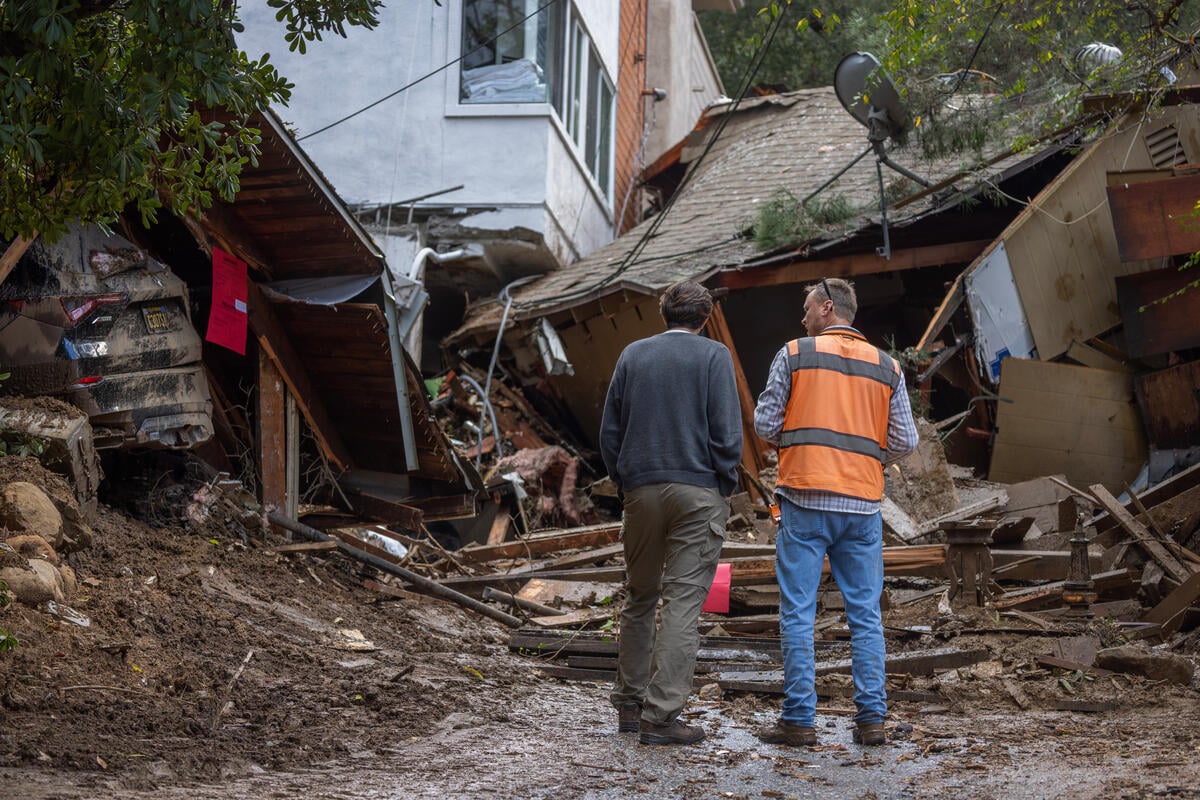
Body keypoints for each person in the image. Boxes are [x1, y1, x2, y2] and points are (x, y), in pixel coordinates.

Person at [753, 277, 918, 748]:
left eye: (807, 309)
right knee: (865, 615)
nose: (802, 318)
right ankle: (871, 721)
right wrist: (867, 456)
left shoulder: (794, 354)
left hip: (804, 499)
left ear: (827, 308)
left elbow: (765, 424)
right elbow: (906, 440)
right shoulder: (888, 367)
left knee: (799, 614)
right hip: (863, 506)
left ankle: (800, 722)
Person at [600, 280, 743, 746]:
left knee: (639, 596)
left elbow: (610, 431)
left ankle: (628, 704)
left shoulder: (632, 355)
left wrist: (626, 481)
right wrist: (724, 478)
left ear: (662, 314)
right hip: (698, 490)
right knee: (682, 601)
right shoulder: (714, 356)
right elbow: (726, 431)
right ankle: (660, 718)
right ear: (704, 319)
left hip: (641, 490)